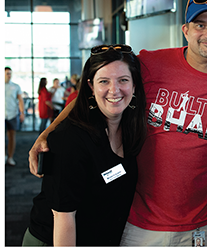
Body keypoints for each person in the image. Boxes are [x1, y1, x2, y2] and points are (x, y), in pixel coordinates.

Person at [28, 0, 207, 246]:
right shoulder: (151, 64)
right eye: (200, 25)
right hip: (141, 224)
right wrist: (47, 133)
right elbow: (98, 92)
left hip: (205, 226)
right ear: (186, 30)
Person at [22, 44, 147, 246]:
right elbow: (64, 220)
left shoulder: (131, 127)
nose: (114, 90)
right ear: (91, 86)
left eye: (123, 80)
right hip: (56, 239)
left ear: (134, 86)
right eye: (103, 81)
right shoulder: (69, 140)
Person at [5, 67, 25, 166]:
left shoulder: (16, 86)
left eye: (10, 73)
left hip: (12, 114)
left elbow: (20, 100)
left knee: (12, 136)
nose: (9, 75)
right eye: (7, 73)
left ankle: (10, 157)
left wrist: (22, 112)